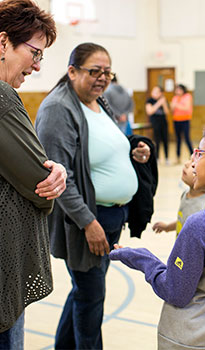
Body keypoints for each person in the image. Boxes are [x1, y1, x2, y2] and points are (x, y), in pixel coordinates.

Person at [35, 42, 151, 350]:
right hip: (85, 222)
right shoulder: (59, 108)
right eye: (94, 71)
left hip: (112, 217)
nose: (102, 78)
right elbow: (58, 175)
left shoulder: (99, 101)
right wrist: (89, 222)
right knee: (91, 297)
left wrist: (134, 151)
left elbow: (107, 145)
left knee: (83, 293)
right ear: (72, 71)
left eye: (107, 72)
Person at [109, 123, 205, 349]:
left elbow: (175, 291)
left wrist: (142, 258)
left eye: (200, 153)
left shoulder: (201, 225)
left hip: (186, 338)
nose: (192, 161)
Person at [0, 0, 67, 348]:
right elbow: (38, 185)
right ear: (2, 43)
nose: (37, 66)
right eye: (34, 53)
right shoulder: (3, 98)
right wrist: (54, 176)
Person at [153, 158, 205, 238]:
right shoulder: (185, 194)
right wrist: (167, 227)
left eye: (193, 164)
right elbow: (183, 221)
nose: (186, 164)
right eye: (189, 159)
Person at [145, 86, 169, 164]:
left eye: (157, 92)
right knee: (157, 141)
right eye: (153, 91)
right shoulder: (150, 100)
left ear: (161, 93)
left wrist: (164, 103)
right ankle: (157, 158)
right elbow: (150, 111)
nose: (154, 93)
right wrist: (159, 103)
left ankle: (166, 158)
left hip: (163, 122)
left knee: (165, 140)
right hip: (155, 123)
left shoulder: (163, 100)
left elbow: (167, 112)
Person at [171, 84, 193, 164]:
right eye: (176, 90)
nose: (177, 91)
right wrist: (177, 105)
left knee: (187, 138)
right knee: (178, 139)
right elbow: (172, 108)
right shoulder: (175, 98)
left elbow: (186, 108)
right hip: (176, 120)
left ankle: (192, 155)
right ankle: (178, 157)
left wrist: (176, 105)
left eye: (179, 89)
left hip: (185, 120)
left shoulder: (187, 96)